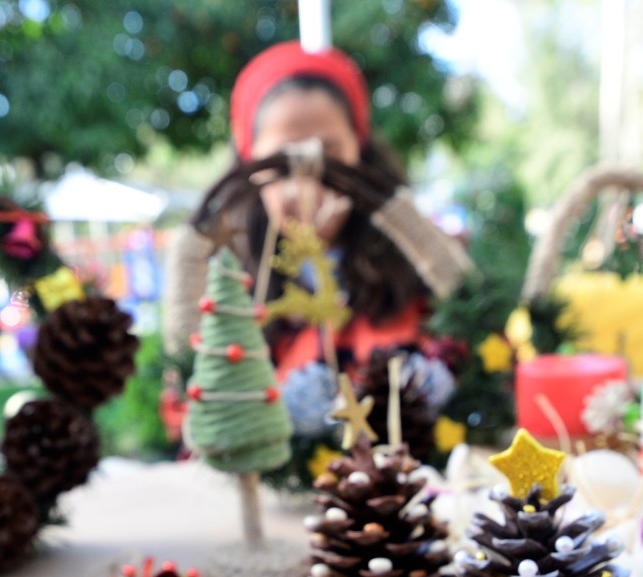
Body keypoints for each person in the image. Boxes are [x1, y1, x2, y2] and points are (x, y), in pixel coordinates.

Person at [163, 40, 466, 378]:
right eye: (283, 161)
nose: (307, 184)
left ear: (359, 153)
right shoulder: (223, 293)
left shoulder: (423, 278)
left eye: (329, 156)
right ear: (252, 167)